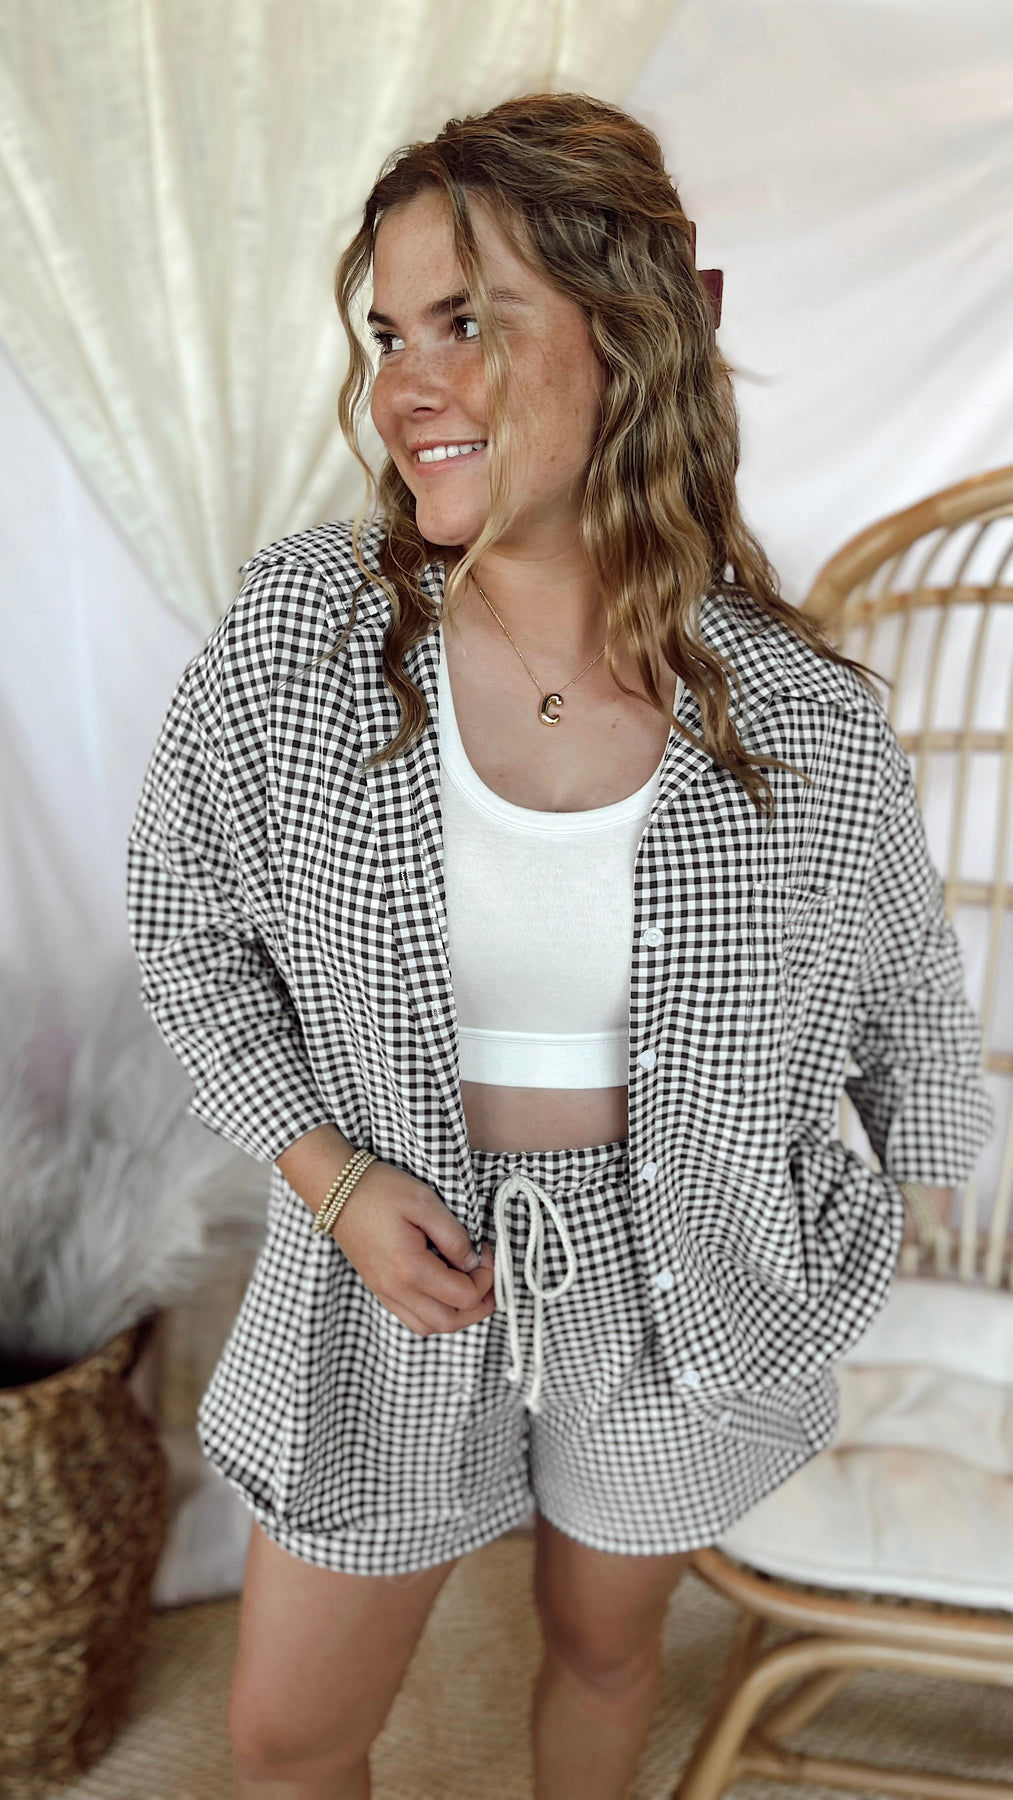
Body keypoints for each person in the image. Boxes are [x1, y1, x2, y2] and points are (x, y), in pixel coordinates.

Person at [127, 92, 993, 1800]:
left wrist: (896, 1211)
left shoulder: (800, 719)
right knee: (287, 1737)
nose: (406, 384)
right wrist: (329, 1179)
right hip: (384, 1250)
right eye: (390, 333)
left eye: (467, 319)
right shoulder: (306, 635)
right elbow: (183, 923)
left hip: (684, 1276)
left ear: (638, 329)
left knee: (603, 1653)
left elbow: (906, 994)